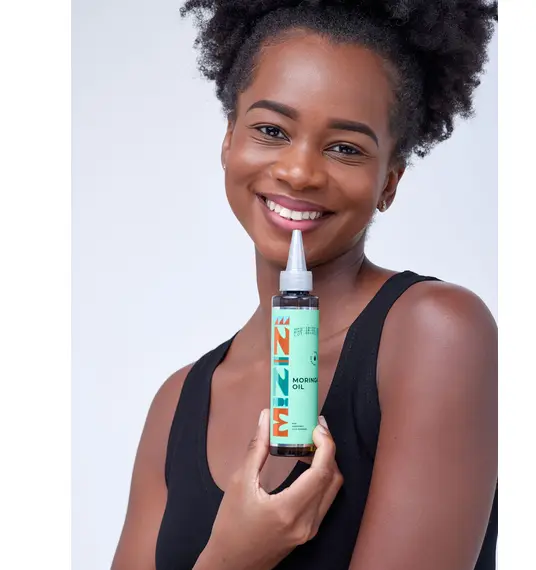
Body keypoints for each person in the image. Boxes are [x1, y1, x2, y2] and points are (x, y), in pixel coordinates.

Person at [111, 1, 498, 569]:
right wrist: (232, 557)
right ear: (229, 140)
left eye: (345, 148)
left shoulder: (437, 334)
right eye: (271, 130)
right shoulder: (177, 403)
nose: (299, 172)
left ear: (389, 182)